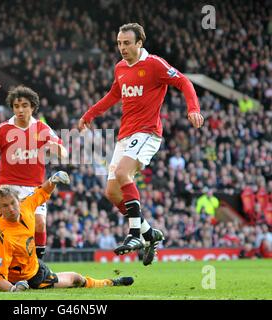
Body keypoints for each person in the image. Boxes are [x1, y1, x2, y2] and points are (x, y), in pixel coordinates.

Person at [78, 23, 204, 264]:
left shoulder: (155, 64)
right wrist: (89, 115)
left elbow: (184, 82)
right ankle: (149, 233)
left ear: (139, 43)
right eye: (119, 43)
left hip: (148, 132)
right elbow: (114, 95)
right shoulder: (120, 68)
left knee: (124, 174)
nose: (122, 48)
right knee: (112, 192)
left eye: (127, 43)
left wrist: (193, 109)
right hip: (125, 135)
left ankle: (134, 234)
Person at [0, 171, 134, 292]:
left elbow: (42, 192)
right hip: (29, 277)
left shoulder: (26, 205)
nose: (12, 209)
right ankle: (111, 282)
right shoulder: (2, 235)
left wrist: (53, 179)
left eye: (13, 203)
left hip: (32, 264)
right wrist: (14, 289)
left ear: (18, 201)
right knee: (76, 279)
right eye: (5, 206)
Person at [0, 85, 68, 259]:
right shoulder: (3, 129)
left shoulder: (42, 128)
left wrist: (57, 148)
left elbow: (64, 152)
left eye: (24, 106)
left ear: (33, 107)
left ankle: (38, 264)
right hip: (8, 187)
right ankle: (0, 264)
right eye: (16, 106)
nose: (20, 110)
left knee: (39, 224)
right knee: (8, 228)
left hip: (34, 187)